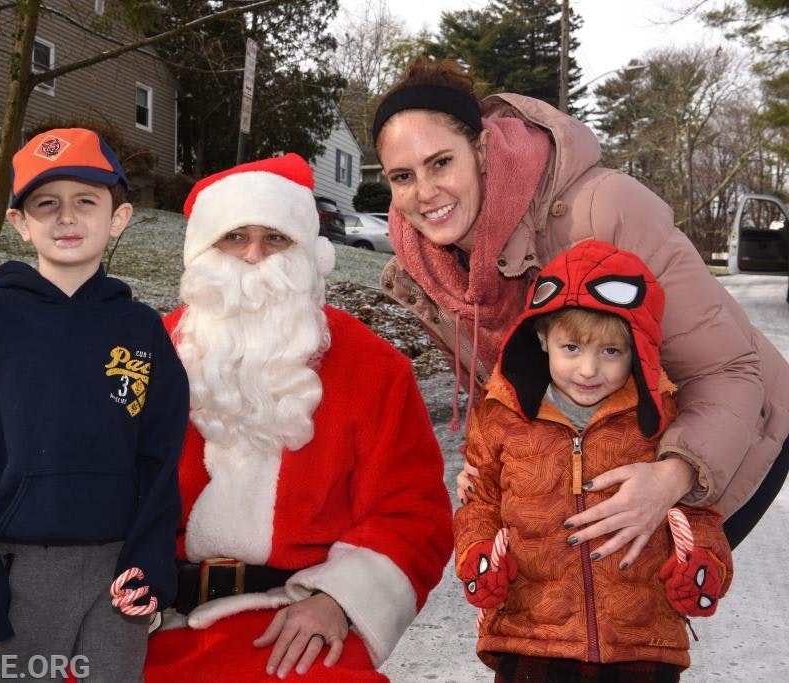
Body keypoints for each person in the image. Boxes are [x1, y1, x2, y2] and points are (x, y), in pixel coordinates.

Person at [371, 57, 789, 563]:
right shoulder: (429, 269)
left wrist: (671, 477)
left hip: (733, 434)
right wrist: (492, 464)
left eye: (441, 162)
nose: (425, 193)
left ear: (480, 151)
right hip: (600, 447)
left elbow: (728, 370)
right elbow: (500, 389)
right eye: (402, 176)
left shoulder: (602, 210)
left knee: (628, 617)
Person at [144, 153, 454, 681]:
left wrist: (337, 600)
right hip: (153, 622)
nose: (255, 256)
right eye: (235, 237)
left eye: (277, 238)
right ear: (203, 251)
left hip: (297, 619)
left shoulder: (374, 368)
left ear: (310, 251)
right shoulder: (145, 355)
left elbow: (412, 513)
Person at [0, 128, 189, 681]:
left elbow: (160, 457)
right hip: (22, 570)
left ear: (117, 217)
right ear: (19, 222)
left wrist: (150, 564)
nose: (66, 218)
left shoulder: (142, 329)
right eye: (46, 204)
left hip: (118, 568)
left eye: (86, 201)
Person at [455, 240, 732, 681]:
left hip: (642, 640)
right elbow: (480, 500)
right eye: (571, 348)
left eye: (610, 352)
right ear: (543, 337)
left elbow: (695, 508)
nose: (588, 370)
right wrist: (477, 553)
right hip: (530, 635)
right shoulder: (501, 414)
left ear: (638, 350)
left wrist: (704, 563)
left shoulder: (660, 417)